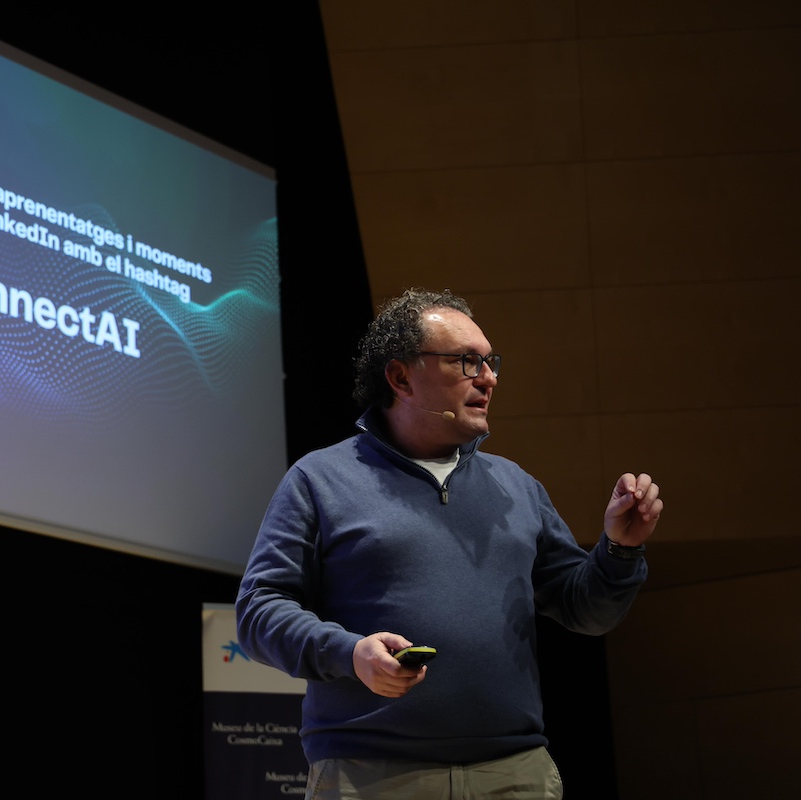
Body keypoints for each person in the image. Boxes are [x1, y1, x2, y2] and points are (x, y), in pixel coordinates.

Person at [235, 288, 663, 800]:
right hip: (371, 777)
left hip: (514, 774)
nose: (489, 378)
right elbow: (259, 611)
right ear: (400, 378)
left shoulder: (516, 486)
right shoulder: (320, 479)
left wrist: (619, 549)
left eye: (490, 362)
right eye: (466, 362)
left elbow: (585, 612)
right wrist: (350, 654)